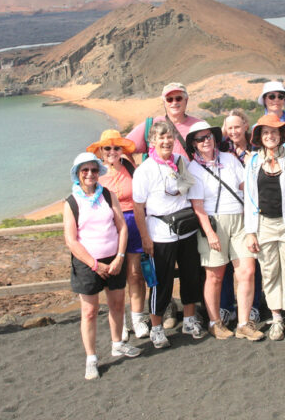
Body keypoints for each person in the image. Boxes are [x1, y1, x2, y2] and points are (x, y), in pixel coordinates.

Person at [64, 152, 140, 381]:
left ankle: (117, 343)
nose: (89, 174)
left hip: (113, 258)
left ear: (99, 172)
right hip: (88, 263)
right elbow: (71, 240)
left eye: (94, 170)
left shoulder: (108, 195)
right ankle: (91, 358)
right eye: (84, 170)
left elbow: (122, 227)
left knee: (117, 304)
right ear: (77, 174)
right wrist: (94, 264)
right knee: (89, 312)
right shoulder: (71, 202)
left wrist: (119, 257)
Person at [131, 121, 207, 348]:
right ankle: (156, 328)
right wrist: (145, 238)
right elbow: (138, 207)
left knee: (190, 275)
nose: (166, 141)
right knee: (160, 282)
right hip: (160, 233)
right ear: (152, 142)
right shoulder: (145, 170)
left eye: (169, 137)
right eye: (161, 138)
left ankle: (190, 319)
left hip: (186, 229)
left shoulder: (179, 162)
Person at [186, 122, 265, 341]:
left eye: (209, 136)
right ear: (194, 144)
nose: (206, 141)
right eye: (200, 139)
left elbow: (244, 188)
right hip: (214, 222)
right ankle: (215, 322)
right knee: (215, 276)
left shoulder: (229, 159)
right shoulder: (194, 169)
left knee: (247, 271)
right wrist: (210, 233)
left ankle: (243, 323)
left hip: (239, 219)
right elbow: (198, 206)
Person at [244, 113, 285, 340]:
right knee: (269, 272)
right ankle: (277, 318)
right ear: (260, 136)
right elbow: (248, 199)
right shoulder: (252, 163)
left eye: (274, 132)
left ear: (282, 135)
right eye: (266, 132)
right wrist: (250, 232)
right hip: (264, 225)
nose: (270, 136)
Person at [88, 129, 150, 340]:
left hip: (133, 223)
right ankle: (120, 321)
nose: (112, 151)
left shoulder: (131, 168)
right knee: (115, 278)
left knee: (135, 274)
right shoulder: (95, 174)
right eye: (108, 148)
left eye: (116, 147)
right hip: (109, 227)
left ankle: (138, 318)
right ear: (101, 151)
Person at [127, 82, 206, 160]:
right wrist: (134, 169)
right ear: (164, 102)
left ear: (186, 100)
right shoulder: (152, 124)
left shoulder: (200, 125)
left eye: (178, 98)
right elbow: (121, 148)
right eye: (169, 99)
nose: (174, 102)